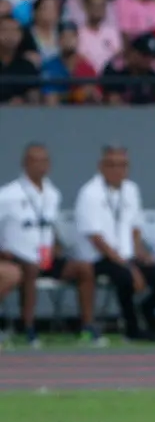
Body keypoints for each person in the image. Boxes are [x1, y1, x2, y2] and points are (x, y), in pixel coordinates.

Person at [74, 144, 155, 341]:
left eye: (123, 165)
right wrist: (129, 267)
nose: (118, 170)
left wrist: (140, 254)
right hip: (99, 258)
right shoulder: (90, 193)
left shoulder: (131, 189)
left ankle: (145, 310)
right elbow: (96, 239)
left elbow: (135, 228)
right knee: (125, 278)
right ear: (101, 166)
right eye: (112, 165)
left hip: (127, 255)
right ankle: (132, 330)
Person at [0, 143, 100, 347]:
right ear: (25, 164)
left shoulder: (52, 193)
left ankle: (87, 327)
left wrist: (56, 244)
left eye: (45, 160)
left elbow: (48, 223)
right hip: (19, 256)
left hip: (46, 256)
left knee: (84, 269)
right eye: (36, 161)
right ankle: (28, 328)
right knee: (30, 268)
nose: (41, 166)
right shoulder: (8, 194)